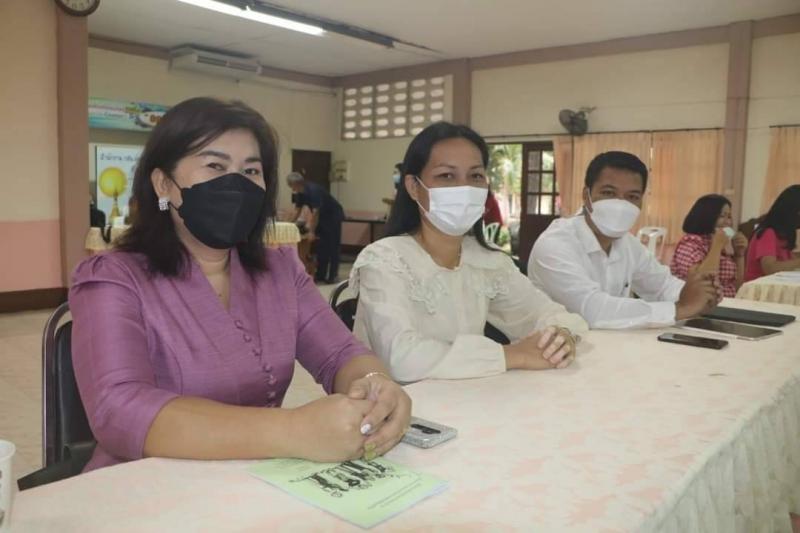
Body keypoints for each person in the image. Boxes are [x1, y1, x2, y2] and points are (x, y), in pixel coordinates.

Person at [69, 97, 410, 473]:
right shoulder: (112, 277)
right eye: (215, 165)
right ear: (164, 183)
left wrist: (377, 385)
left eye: (251, 172)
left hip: (257, 484)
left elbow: (341, 354)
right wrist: (293, 430)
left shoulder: (281, 269)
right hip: (145, 487)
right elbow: (119, 410)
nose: (235, 183)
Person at [349, 122, 588, 383]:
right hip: (395, 411)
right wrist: (510, 355)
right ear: (414, 186)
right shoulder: (385, 260)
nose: (464, 188)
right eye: (446, 176)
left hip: (469, 399)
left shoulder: (487, 261)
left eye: (475, 176)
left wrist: (560, 336)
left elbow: (553, 315)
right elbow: (401, 358)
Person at [528, 151, 721, 329]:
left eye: (632, 196)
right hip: (549, 355)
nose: (620, 204)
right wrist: (681, 308)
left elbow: (662, 285)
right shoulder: (555, 244)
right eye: (608, 193)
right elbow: (592, 311)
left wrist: (702, 293)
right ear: (586, 197)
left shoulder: (627, 244)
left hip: (610, 349)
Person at [670, 194, 748, 297]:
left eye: (729, 216)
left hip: (728, 304)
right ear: (706, 216)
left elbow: (735, 287)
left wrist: (739, 255)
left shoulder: (714, 241)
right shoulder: (689, 243)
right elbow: (702, 281)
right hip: (701, 307)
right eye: (722, 216)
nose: (728, 222)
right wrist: (717, 246)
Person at [287, 172, 345, 284]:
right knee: (321, 246)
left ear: (296, 183)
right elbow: (297, 210)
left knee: (332, 246)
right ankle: (321, 275)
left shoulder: (313, 190)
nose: (291, 189)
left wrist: (311, 232)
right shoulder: (300, 192)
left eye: (291, 186)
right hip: (322, 218)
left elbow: (315, 212)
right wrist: (287, 224)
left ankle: (333, 275)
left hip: (333, 216)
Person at [745, 184, 800, 281]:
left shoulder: (783, 235)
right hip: (759, 291)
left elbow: (789, 263)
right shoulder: (768, 233)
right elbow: (770, 268)